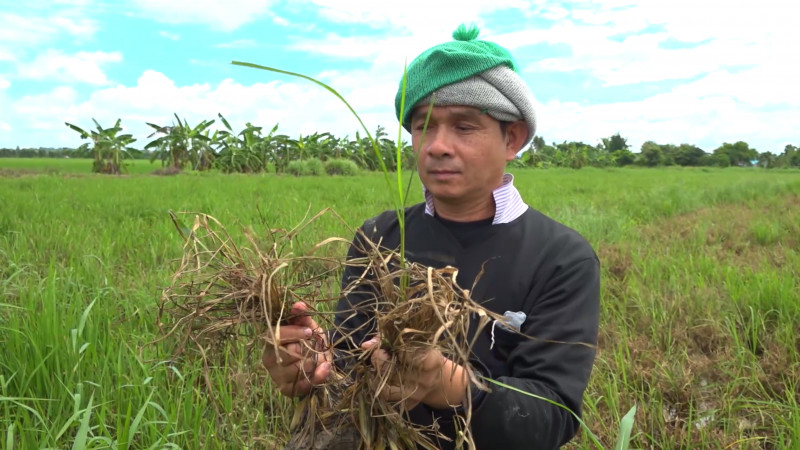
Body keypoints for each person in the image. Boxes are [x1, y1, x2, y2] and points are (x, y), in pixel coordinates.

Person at [263, 24, 600, 449]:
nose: (437, 146)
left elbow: (554, 416)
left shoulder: (562, 257)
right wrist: (313, 368)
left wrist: (455, 387)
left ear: (512, 138)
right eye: (424, 126)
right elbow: (349, 365)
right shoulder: (378, 236)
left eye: (463, 127)